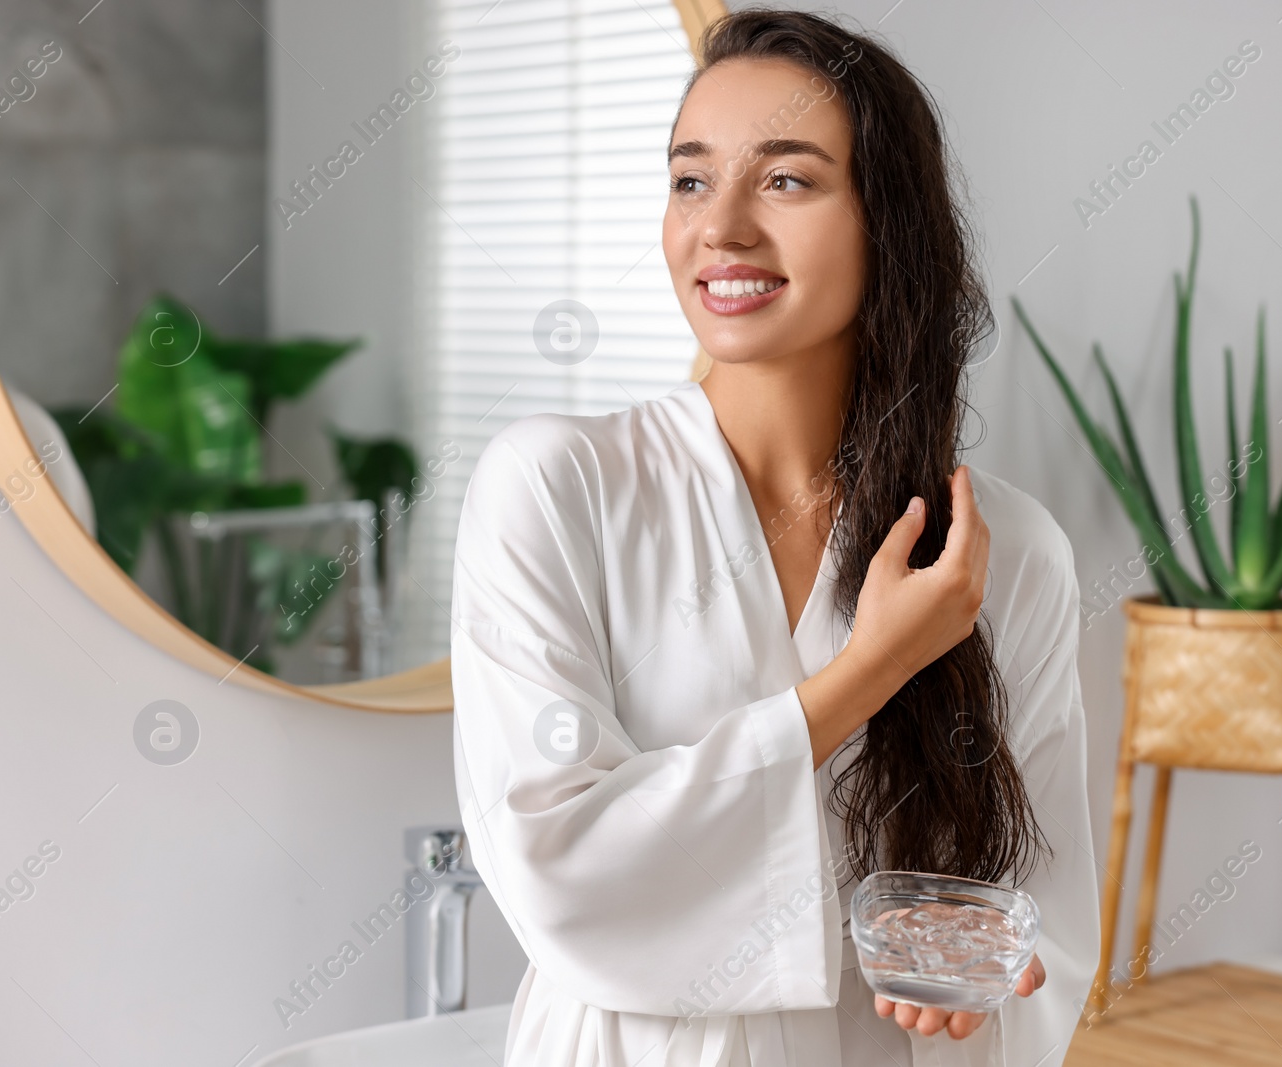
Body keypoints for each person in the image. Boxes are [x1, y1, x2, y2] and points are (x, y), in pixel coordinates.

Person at [451, 10, 1099, 1065]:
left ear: (886, 222)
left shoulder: (1003, 549)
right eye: (691, 179)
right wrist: (873, 665)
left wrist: (985, 972)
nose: (723, 227)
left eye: (786, 180)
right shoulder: (556, 486)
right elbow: (556, 863)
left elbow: (1045, 905)